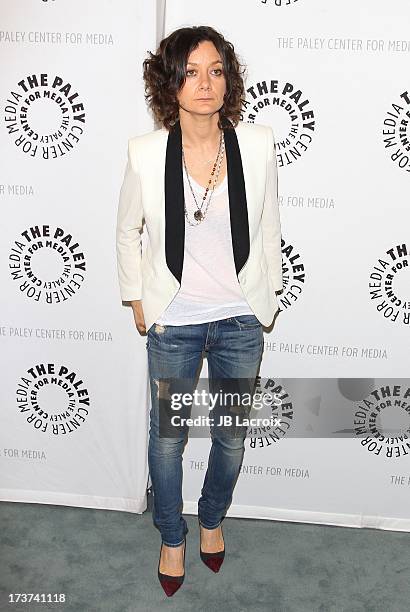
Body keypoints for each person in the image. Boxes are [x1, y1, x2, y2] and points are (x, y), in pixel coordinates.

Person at [116, 25, 283, 596]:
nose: (205, 83)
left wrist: (267, 300)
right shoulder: (145, 152)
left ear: (228, 79)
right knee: (167, 439)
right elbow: (127, 231)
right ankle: (171, 534)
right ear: (170, 83)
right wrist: (138, 299)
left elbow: (269, 230)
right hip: (176, 322)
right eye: (190, 72)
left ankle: (211, 520)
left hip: (239, 320)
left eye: (215, 70)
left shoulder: (257, 145)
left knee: (231, 437)